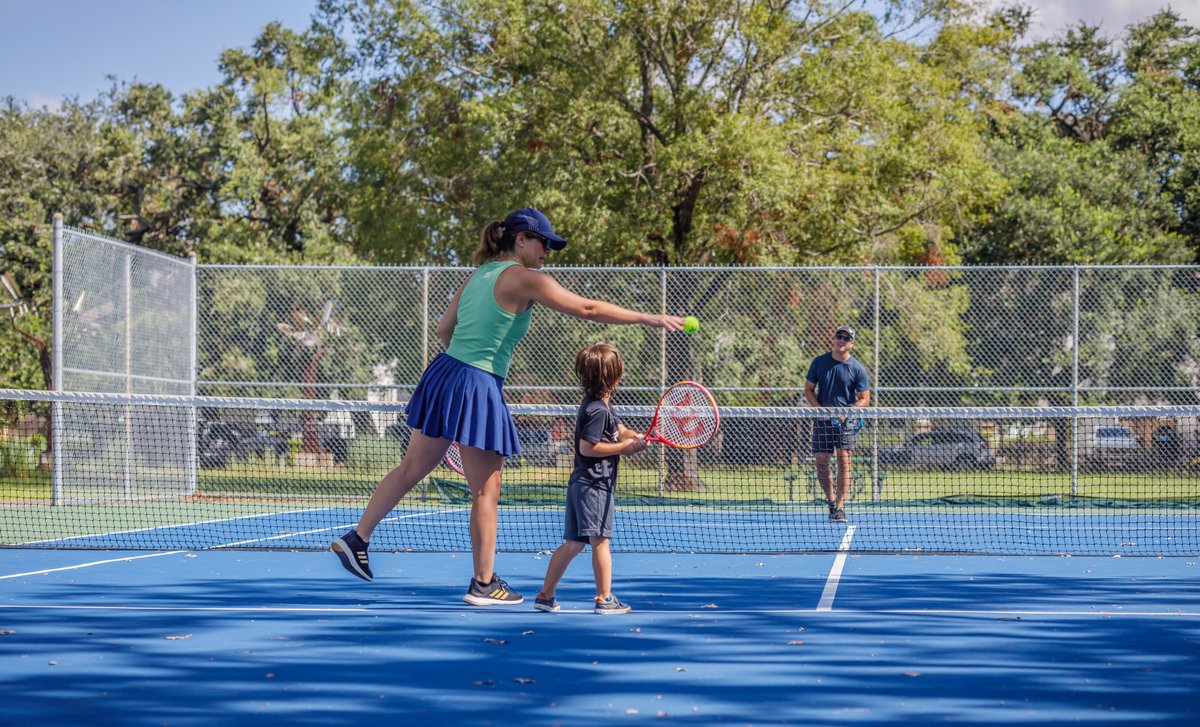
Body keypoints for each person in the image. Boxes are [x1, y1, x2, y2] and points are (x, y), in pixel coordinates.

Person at [331, 208, 685, 606]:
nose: (547, 252)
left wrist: (460, 379)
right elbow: (585, 309)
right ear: (521, 240)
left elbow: (444, 330)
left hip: (444, 373)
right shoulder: (522, 278)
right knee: (487, 489)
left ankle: (357, 537)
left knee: (412, 468)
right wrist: (647, 318)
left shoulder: (478, 274)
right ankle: (483, 583)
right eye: (544, 243)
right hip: (475, 380)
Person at [533, 342, 647, 615]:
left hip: (582, 484)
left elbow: (620, 431)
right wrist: (623, 448)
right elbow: (587, 447)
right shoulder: (597, 410)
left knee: (574, 543)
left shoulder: (602, 406)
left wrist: (636, 439)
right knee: (601, 542)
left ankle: (545, 595)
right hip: (594, 485)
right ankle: (604, 599)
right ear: (614, 377)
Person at [804, 326, 871, 522]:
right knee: (822, 462)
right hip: (823, 421)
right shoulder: (819, 362)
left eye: (846, 338)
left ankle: (840, 506)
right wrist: (820, 409)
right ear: (833, 339)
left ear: (851, 343)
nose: (842, 340)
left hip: (846, 424)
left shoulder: (857, 368)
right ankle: (832, 503)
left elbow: (865, 398)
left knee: (844, 461)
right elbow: (808, 390)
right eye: (839, 336)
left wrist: (852, 409)